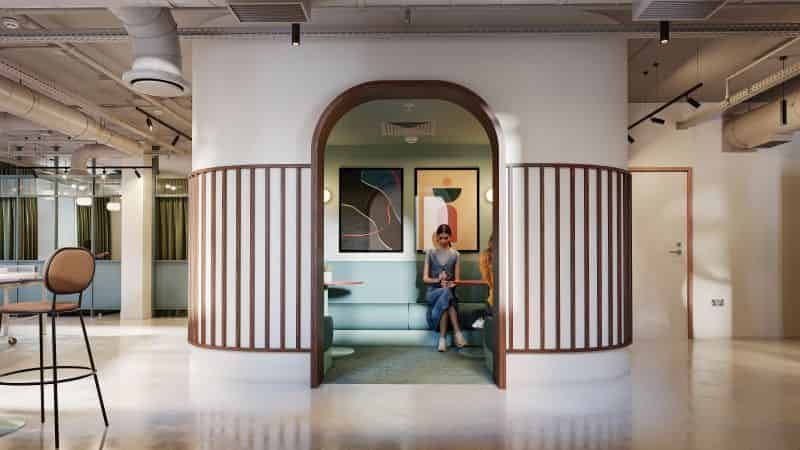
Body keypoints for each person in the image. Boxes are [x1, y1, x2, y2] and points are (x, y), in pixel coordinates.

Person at [422, 224, 466, 352]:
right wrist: (438, 280)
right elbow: (425, 279)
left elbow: (457, 280)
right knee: (446, 296)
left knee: (446, 295)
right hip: (433, 293)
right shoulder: (430, 253)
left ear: (450, 237)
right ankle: (458, 333)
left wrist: (452, 283)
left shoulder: (456, 255)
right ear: (437, 237)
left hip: (449, 292)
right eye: (440, 238)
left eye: (446, 238)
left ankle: (442, 340)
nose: (443, 241)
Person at [472, 233, 495, 329]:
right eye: (492, 241)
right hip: (493, 298)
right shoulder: (485, 256)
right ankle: (484, 318)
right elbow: (488, 280)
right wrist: (490, 265)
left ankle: (484, 318)